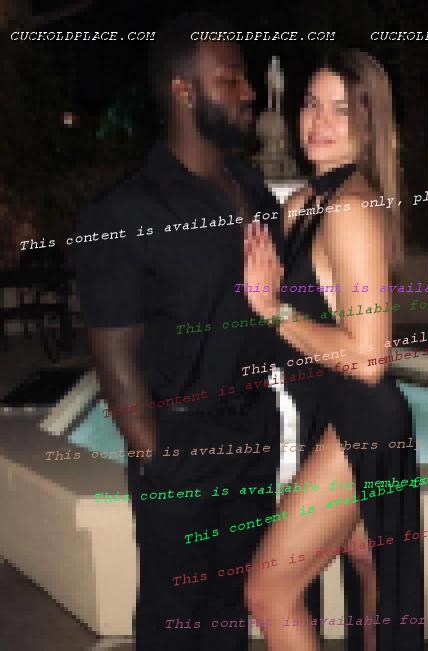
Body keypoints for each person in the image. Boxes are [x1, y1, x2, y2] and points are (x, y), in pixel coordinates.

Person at [75, 13, 281, 650]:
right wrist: (157, 459)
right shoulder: (124, 213)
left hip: (254, 432)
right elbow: (114, 356)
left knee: (232, 611)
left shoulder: (256, 193)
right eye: (231, 78)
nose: (249, 91)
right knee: (175, 617)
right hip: (180, 445)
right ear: (184, 91)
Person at [243, 49, 424, 650]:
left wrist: (273, 310)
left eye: (341, 110)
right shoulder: (305, 202)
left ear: (369, 125)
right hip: (328, 414)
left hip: (357, 422)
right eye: (311, 103)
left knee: (268, 594)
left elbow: (369, 358)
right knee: (371, 572)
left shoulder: (351, 209)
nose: (318, 121)